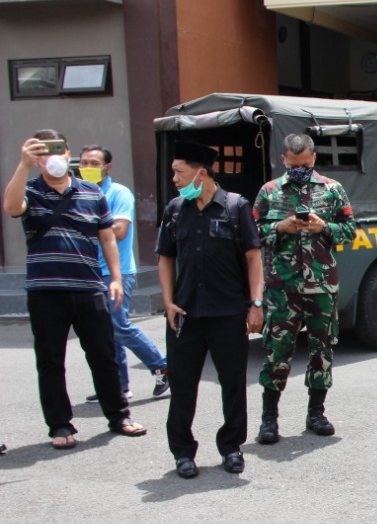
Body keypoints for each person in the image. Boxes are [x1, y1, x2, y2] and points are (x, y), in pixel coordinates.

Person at [3, 130, 147, 448]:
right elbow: (11, 207)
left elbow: (107, 236)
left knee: (104, 354)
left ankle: (118, 416)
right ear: (36, 159)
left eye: (57, 150)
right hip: (45, 291)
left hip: (89, 287)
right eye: (42, 152)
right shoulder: (30, 190)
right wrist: (23, 164)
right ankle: (60, 425)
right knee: (51, 360)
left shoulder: (91, 192)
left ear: (69, 154)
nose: (51, 157)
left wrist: (116, 278)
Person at [156, 141, 264, 478]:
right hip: (185, 315)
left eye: (179, 172)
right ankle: (183, 452)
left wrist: (256, 303)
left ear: (200, 173)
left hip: (228, 313)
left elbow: (253, 258)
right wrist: (168, 301)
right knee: (182, 387)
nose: (174, 178)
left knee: (233, 385)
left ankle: (231, 447)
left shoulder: (235, 207)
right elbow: (165, 257)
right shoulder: (175, 209)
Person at [253, 134, 357, 445]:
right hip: (282, 287)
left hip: (322, 286)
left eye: (305, 163)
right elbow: (251, 232)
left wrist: (324, 227)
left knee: (321, 351)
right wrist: (279, 227)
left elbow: (350, 231)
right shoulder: (269, 192)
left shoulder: (333, 190)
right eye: (294, 164)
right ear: (283, 160)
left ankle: (316, 414)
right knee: (277, 351)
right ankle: (269, 419)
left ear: (313, 159)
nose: (300, 169)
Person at [78, 145, 169, 402]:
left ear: (107, 167)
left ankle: (162, 365)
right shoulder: (79, 193)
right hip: (89, 272)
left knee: (117, 326)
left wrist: (82, 224)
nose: (88, 168)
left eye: (94, 163)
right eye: (84, 163)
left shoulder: (118, 193)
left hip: (116, 273)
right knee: (105, 332)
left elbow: (119, 231)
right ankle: (117, 386)